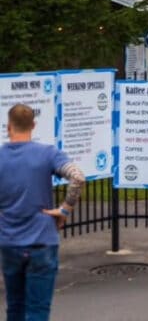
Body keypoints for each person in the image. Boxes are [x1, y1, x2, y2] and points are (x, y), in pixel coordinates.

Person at [1, 104, 86, 320]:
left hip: (10, 241)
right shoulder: (48, 154)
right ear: (33, 125)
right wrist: (64, 210)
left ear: (8, 127)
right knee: (38, 310)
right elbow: (77, 177)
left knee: (15, 307)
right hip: (42, 240)